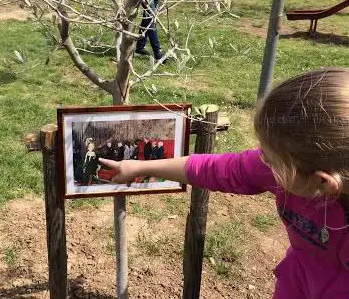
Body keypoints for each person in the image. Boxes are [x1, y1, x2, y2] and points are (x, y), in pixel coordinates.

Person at [100, 68, 349, 299]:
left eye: (270, 159)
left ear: (323, 183)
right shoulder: (291, 168)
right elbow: (215, 169)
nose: (260, 160)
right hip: (298, 283)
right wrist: (140, 167)